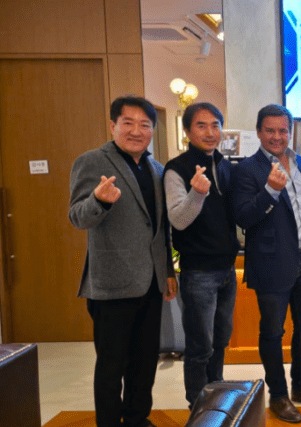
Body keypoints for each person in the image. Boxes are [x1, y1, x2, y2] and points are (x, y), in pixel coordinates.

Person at [68, 96, 178, 427]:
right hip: (112, 284)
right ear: (113, 125)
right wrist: (99, 200)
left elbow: (160, 228)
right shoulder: (92, 162)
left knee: (144, 361)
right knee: (111, 364)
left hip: (151, 283)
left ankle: (136, 418)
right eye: (128, 123)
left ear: (152, 130)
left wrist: (167, 272)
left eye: (144, 124)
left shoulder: (157, 169)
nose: (136, 131)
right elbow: (77, 217)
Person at [232, 104, 301, 423]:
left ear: (291, 132)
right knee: (273, 331)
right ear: (259, 132)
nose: (277, 137)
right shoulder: (247, 169)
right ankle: (278, 395)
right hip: (271, 263)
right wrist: (270, 191)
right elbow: (243, 217)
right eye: (270, 130)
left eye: (283, 130)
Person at [163, 102, 241, 407]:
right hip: (198, 272)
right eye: (201, 125)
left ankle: (215, 394)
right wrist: (197, 193)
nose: (210, 132)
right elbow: (178, 220)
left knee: (220, 339)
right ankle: (197, 404)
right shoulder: (176, 169)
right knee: (199, 346)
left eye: (215, 125)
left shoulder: (225, 166)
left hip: (227, 269)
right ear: (186, 131)